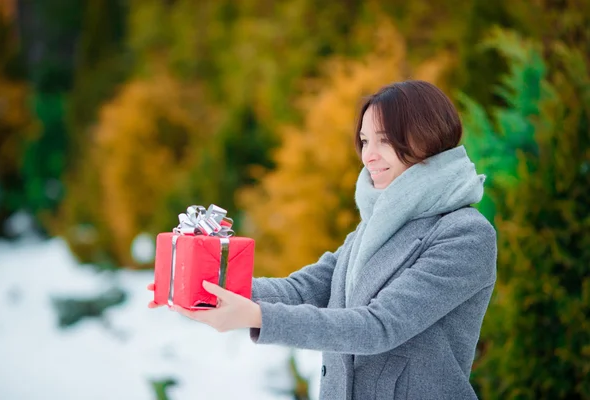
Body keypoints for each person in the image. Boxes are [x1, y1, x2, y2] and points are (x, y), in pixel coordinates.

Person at [148, 80, 497, 400]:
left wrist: (257, 317)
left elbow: (379, 326)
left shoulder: (464, 234)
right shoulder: (373, 229)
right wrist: (206, 288)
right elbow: (303, 290)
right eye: (364, 141)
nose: (368, 155)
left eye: (384, 140)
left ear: (428, 136)